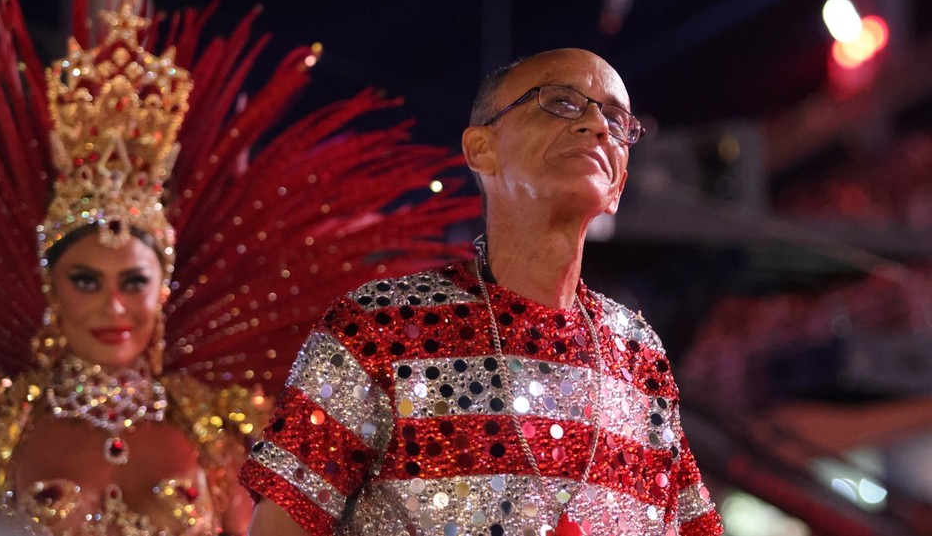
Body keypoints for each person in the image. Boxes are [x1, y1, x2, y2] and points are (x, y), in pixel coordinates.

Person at [0, 0, 475, 534]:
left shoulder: (215, 430)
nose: (114, 306)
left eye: (133, 282)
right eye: (85, 281)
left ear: (163, 289)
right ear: (51, 290)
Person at [239, 48, 724, 535]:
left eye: (617, 120)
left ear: (617, 183)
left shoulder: (639, 355)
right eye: (561, 102)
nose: (597, 126)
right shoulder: (380, 327)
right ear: (481, 149)